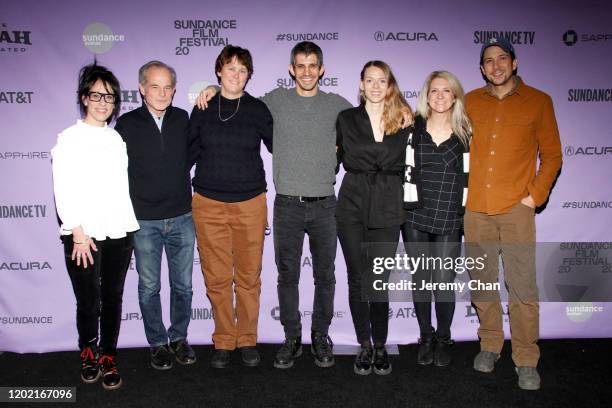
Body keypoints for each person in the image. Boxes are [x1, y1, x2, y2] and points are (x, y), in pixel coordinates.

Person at [197, 41, 352, 369]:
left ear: (321, 69)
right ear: (291, 70)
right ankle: (292, 338)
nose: (307, 72)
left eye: (313, 66)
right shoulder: (272, 103)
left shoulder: (339, 105)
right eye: (301, 65)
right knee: (287, 277)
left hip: (326, 204)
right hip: (287, 205)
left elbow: (367, 125)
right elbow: (235, 95)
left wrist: (405, 110)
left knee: (325, 275)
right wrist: (212, 88)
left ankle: (320, 336)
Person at [464, 37, 562, 390]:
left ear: (515, 62)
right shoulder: (469, 101)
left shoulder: (539, 102)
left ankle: (525, 357)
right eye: (489, 60)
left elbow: (552, 156)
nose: (496, 65)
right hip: (475, 210)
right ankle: (490, 345)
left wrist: (533, 197)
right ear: (482, 68)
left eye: (502, 58)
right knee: (483, 285)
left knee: (522, 287)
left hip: (516, 210)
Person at [51, 63, 139, 390]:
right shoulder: (69, 138)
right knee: (88, 300)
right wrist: (76, 232)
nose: (104, 102)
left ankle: (108, 356)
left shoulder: (116, 139)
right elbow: (63, 186)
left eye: (111, 97)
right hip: (82, 236)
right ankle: (88, 352)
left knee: (113, 297)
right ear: (84, 98)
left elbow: (118, 188)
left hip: (118, 231)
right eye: (97, 95)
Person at [190, 45, 273, 368]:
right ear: (219, 72)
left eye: (242, 70)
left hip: (250, 202)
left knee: (249, 278)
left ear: (248, 75)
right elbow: (187, 154)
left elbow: (282, 146)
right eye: (230, 68)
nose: (236, 75)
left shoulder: (258, 109)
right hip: (208, 203)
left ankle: (248, 339)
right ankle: (224, 339)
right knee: (217, 277)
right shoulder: (204, 106)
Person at [114, 61, 196, 370]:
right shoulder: (126, 124)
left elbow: (197, 150)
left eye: (167, 87)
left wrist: (212, 92)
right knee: (149, 287)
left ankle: (178, 338)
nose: (161, 93)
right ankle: (158, 343)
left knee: (183, 286)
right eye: (154, 86)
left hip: (182, 217)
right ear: (142, 89)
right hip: (144, 220)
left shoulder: (183, 119)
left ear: (174, 90)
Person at [336, 60, 411, 375]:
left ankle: (380, 344)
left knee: (379, 280)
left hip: (388, 203)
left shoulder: (405, 120)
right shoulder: (346, 118)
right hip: (352, 202)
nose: (376, 86)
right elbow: (346, 157)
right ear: (361, 84)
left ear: (390, 85)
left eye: (382, 80)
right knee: (357, 277)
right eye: (370, 80)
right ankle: (363, 344)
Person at [401, 71, 471, 367]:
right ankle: (426, 336)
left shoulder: (466, 132)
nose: (440, 96)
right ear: (426, 96)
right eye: (434, 91)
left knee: (443, 281)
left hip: (449, 215)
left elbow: (472, 177)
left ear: (455, 96)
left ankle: (443, 337)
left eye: (446, 91)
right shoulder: (410, 127)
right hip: (415, 214)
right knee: (421, 280)